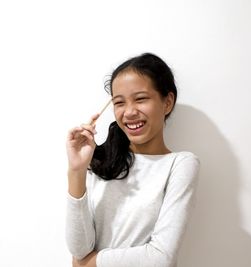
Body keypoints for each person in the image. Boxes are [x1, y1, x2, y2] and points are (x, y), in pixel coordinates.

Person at [65, 53, 200, 267]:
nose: (129, 112)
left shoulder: (180, 164)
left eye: (141, 99)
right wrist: (76, 171)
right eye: (119, 102)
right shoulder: (100, 160)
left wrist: (88, 265)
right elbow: (79, 249)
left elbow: (160, 258)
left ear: (167, 102)